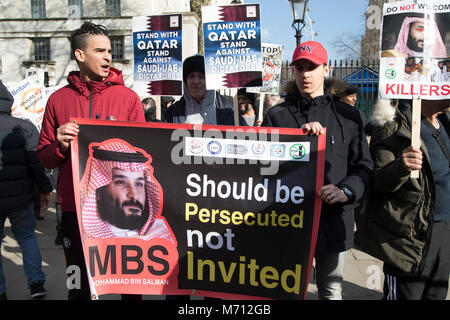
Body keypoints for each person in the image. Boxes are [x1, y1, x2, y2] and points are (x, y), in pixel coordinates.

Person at [37, 21, 145, 300]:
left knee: (129, 286)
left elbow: (144, 157)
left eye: (109, 51)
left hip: (122, 212)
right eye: (100, 51)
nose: (108, 56)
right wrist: (60, 145)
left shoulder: (129, 99)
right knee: (78, 287)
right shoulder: (57, 100)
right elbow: (45, 157)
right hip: (74, 209)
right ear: (80, 55)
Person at [261, 41, 373, 300]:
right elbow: (262, 168)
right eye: (299, 68)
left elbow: (364, 167)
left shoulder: (349, 117)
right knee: (286, 290)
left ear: (326, 69)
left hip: (334, 221)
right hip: (287, 222)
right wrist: (296, 143)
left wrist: (346, 190)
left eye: (311, 67)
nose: (305, 74)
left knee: (331, 291)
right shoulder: (277, 116)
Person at [359, 98, 450, 300]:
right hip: (410, 237)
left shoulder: (445, 121)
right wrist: (401, 166)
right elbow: (377, 181)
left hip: (444, 231)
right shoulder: (393, 124)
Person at [0, 81, 53, 300]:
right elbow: (36, 163)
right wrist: (45, 190)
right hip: (21, 196)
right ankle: (36, 284)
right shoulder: (25, 126)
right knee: (27, 236)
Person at [80, 139, 174, 243]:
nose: (134, 195)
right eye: (121, 182)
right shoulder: (85, 240)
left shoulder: (163, 234)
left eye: (139, 184)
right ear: (98, 191)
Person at [164, 54, 245, 126]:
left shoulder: (228, 109)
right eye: (192, 76)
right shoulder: (172, 113)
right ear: (185, 81)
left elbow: (247, 138)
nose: (196, 81)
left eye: (201, 76)